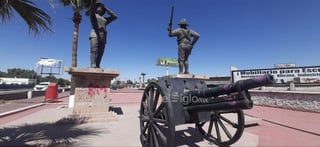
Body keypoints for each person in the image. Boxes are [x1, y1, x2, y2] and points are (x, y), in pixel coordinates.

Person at [89, 1, 117, 68]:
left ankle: (97, 64)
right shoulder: (93, 15)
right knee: (94, 50)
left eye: (101, 8)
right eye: (98, 7)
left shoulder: (105, 19)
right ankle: (93, 64)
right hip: (95, 34)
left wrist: (105, 8)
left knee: (101, 52)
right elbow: (92, 8)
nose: (100, 8)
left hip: (103, 36)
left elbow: (114, 16)